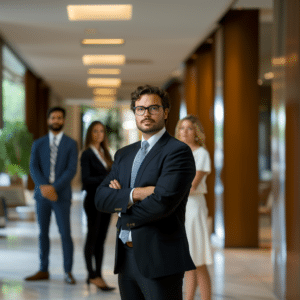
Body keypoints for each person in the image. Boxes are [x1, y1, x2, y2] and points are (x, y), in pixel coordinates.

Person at [94, 85, 196, 300]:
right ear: (134, 113)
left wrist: (121, 211)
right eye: (140, 109)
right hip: (126, 259)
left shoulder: (177, 152)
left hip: (160, 258)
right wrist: (136, 194)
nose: (146, 114)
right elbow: (100, 197)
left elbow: (162, 203)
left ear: (166, 112)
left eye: (153, 108)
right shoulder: (124, 154)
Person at [25, 106, 78, 284]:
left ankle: (68, 272)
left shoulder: (71, 144)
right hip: (42, 196)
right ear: (48, 120)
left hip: (61, 196)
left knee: (65, 233)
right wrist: (44, 187)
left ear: (63, 120)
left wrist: (54, 188)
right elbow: (33, 167)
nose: (56, 120)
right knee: (43, 233)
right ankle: (43, 269)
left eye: (59, 118)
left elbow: (71, 170)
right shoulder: (38, 143)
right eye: (53, 118)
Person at [175, 115, 213, 300]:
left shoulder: (202, 154)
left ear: (196, 132)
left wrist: (168, 190)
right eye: (182, 128)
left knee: (198, 261)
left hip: (194, 208)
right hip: (181, 208)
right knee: (188, 260)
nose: (185, 131)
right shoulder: (177, 152)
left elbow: (191, 186)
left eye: (189, 128)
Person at [80, 121, 115, 291]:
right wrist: (107, 180)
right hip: (93, 201)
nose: (99, 134)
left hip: (106, 202)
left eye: (101, 131)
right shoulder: (87, 154)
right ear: (90, 134)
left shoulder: (106, 153)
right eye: (95, 131)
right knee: (92, 238)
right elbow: (86, 181)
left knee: (101, 240)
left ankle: (98, 275)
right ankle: (91, 274)